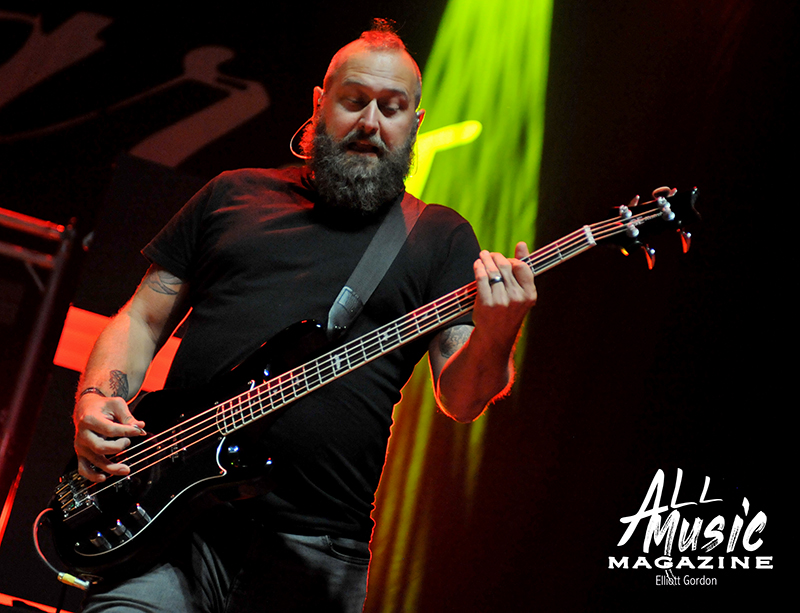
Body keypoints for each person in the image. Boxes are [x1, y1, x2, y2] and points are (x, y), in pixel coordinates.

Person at [72, 20, 537, 612]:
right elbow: (141, 319)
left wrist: (498, 332)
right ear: (319, 104)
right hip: (171, 524)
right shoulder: (232, 195)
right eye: (354, 100)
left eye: (392, 108)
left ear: (415, 123)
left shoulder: (440, 238)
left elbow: (462, 398)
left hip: (315, 555)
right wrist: (95, 398)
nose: (371, 123)